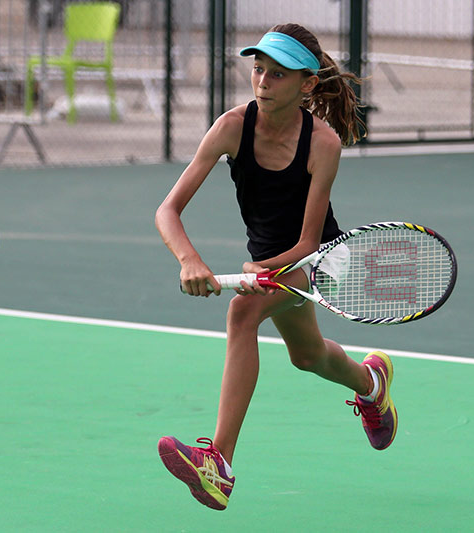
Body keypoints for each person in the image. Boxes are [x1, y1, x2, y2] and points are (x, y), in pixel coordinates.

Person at [154, 23, 397, 511]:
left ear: (307, 83)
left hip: (323, 258)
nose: (263, 80)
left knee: (242, 314)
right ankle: (373, 386)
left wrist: (263, 272)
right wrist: (189, 260)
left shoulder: (323, 144)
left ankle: (217, 464)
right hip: (269, 259)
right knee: (306, 356)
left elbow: (308, 240)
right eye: (258, 69)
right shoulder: (231, 127)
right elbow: (168, 210)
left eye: (278, 74)